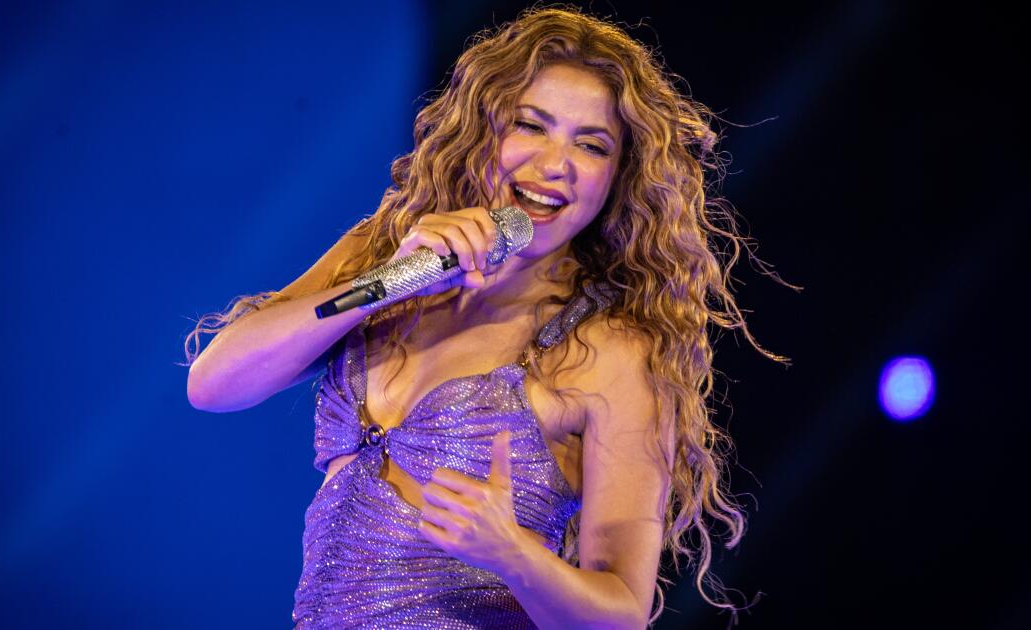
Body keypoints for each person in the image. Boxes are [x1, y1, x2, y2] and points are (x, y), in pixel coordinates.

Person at [184, 6, 793, 628]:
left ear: (617, 177)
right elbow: (213, 385)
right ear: (484, 128)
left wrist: (511, 554)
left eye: (591, 145)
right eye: (531, 125)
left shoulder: (610, 349)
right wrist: (388, 283)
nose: (554, 164)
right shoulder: (386, 252)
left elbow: (621, 614)